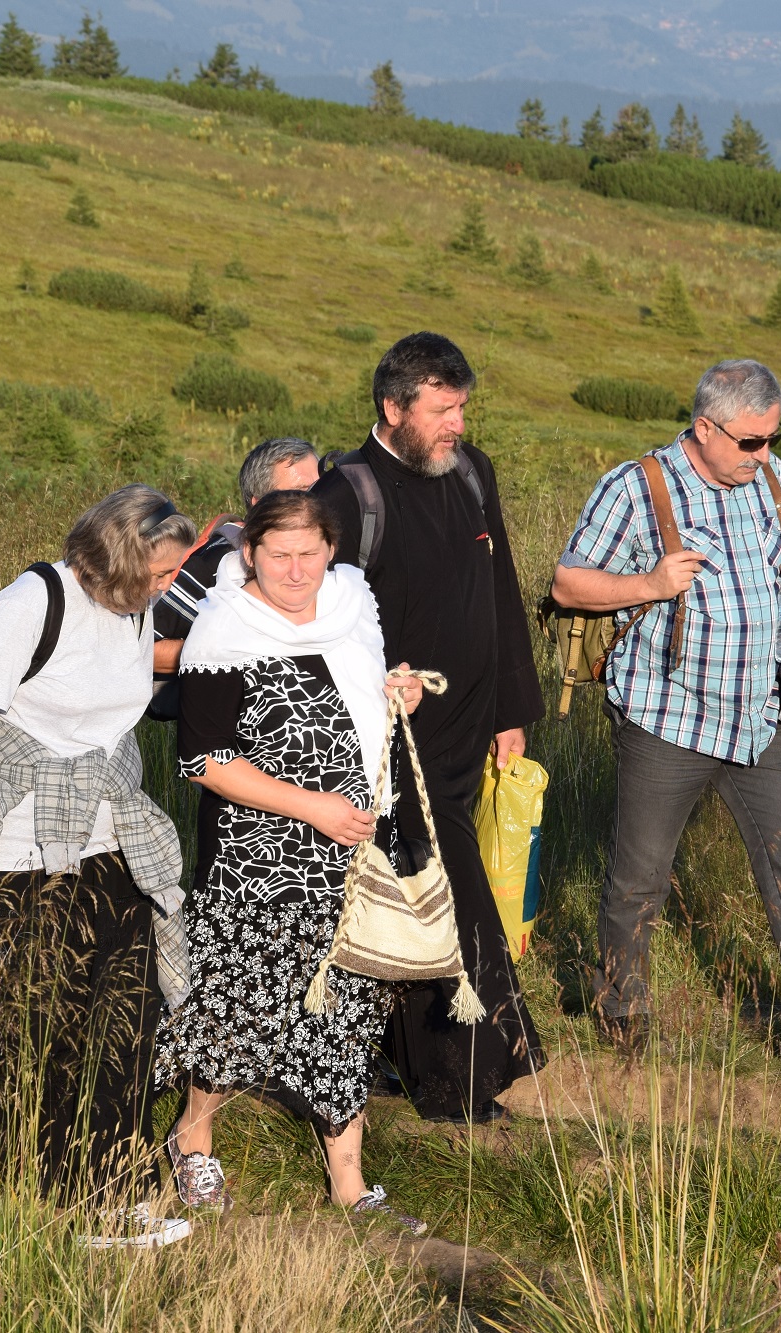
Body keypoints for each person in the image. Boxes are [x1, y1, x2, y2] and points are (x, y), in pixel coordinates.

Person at [549, 359, 781, 1075]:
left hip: (761, 715)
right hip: (668, 716)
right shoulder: (637, 488)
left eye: (773, 439)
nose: (765, 455)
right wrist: (648, 584)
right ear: (705, 427)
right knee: (640, 874)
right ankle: (622, 1009)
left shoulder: (771, 482)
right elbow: (568, 582)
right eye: (751, 442)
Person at [0, 485, 199, 1249]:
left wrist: (224, 647)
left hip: (107, 829)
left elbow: (118, 668)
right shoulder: (35, 599)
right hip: (19, 839)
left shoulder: (137, 605)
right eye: (160, 572)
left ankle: (99, 1189)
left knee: (121, 1011)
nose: (170, 585)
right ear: (117, 557)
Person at [156, 491, 431, 1233]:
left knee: (345, 1015)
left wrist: (395, 690)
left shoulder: (351, 604)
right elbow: (204, 761)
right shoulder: (223, 629)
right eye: (279, 553)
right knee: (236, 1010)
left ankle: (351, 1184)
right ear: (250, 553)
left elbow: (356, 700)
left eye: (310, 551)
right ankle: (193, 1139)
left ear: (330, 551)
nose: (296, 568)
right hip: (258, 864)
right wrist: (311, 805)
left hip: (352, 857)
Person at [312, 332, 546, 1124]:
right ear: (393, 407)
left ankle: (416, 1064)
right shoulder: (346, 493)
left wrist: (512, 708)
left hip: (470, 724)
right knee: (442, 885)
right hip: (390, 738)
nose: (457, 424)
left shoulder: (472, 474)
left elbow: (500, 587)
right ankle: (472, 1074)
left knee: (417, 883)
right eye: (442, 410)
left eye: (462, 407)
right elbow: (310, 618)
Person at [151, 436, 321, 677]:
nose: (317, 502)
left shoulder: (324, 555)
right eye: (302, 493)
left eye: (321, 488)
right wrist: (233, 650)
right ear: (260, 504)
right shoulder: (216, 560)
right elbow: (147, 651)